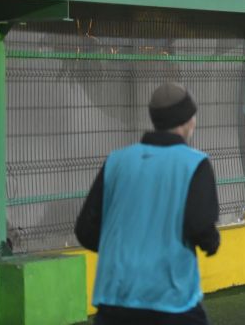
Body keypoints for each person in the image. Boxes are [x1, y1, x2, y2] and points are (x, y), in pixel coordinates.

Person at [74, 83, 220, 324]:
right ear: (188, 121)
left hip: (115, 297)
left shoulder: (117, 161)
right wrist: (211, 242)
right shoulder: (194, 163)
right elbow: (199, 226)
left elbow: (86, 231)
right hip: (170, 299)